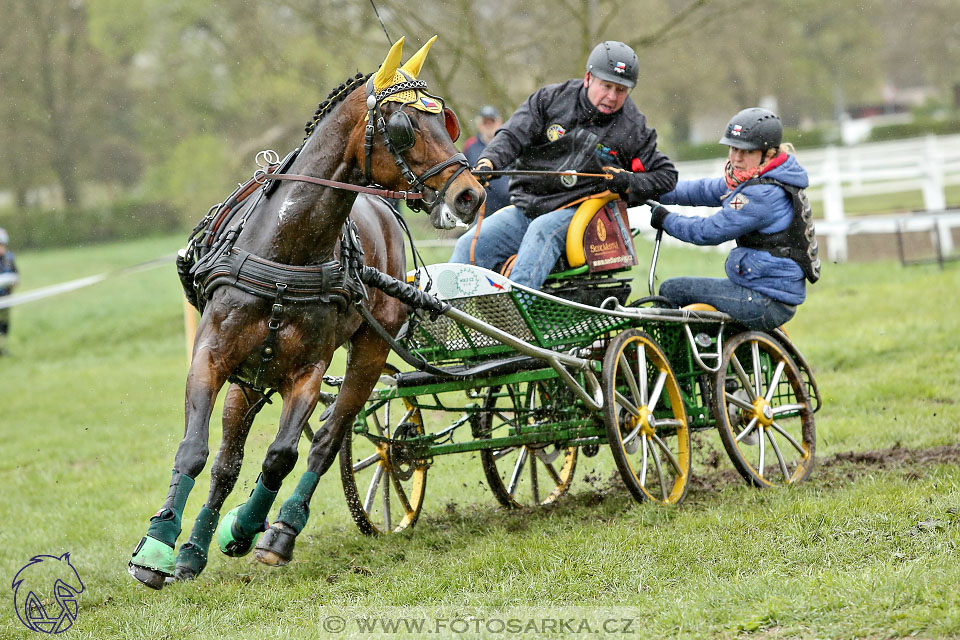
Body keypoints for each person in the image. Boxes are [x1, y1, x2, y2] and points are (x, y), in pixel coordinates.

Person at [450, 41, 677, 290]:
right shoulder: (549, 100)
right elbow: (512, 136)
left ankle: (516, 322)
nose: (612, 97)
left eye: (621, 90)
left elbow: (666, 176)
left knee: (542, 231)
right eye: (607, 86)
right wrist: (488, 162)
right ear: (589, 77)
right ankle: (457, 320)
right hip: (527, 209)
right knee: (468, 245)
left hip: (581, 216)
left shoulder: (633, 127)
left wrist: (628, 182)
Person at [651, 107, 819, 331]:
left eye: (746, 151)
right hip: (765, 292)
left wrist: (665, 220)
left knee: (672, 289)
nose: (736, 158)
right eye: (733, 148)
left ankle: (673, 359)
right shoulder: (756, 177)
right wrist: (649, 189)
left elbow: (708, 231)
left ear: (767, 153)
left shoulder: (762, 194)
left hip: (765, 302)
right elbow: (702, 190)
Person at [462, 105, 511, 214]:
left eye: (492, 121)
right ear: (479, 125)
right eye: (485, 122)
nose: (489, 125)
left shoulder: (509, 145)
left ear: (499, 123)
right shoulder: (470, 146)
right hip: (480, 208)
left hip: (509, 206)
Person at [0, 227, 20, 355]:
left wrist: (13, 281)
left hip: (6, 298)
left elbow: (16, 275)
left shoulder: (9, 259)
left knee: (4, 324)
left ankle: (2, 348)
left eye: (3, 245)